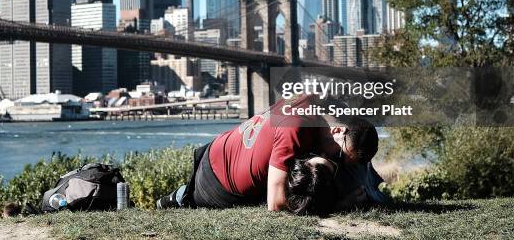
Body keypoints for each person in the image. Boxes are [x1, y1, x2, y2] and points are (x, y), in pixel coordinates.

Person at [157, 95, 382, 213]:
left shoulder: (316, 101)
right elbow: (275, 204)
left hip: (222, 147)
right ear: (338, 130)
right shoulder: (294, 131)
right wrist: (341, 205)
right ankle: (180, 198)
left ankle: (180, 195)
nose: (337, 160)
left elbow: (356, 131)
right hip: (219, 187)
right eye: (340, 155)